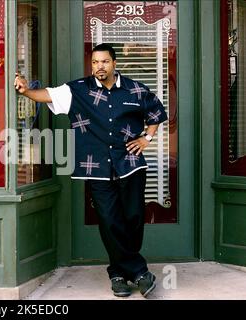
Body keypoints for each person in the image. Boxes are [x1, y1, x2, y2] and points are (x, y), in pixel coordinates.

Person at [14, 43, 167, 298]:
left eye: (104, 62)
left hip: (130, 165)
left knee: (133, 218)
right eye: (95, 62)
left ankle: (118, 273)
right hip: (95, 167)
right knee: (109, 221)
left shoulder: (135, 89)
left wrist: (146, 139)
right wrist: (26, 90)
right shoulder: (78, 90)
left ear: (114, 63)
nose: (99, 67)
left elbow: (156, 114)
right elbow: (46, 95)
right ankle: (138, 272)